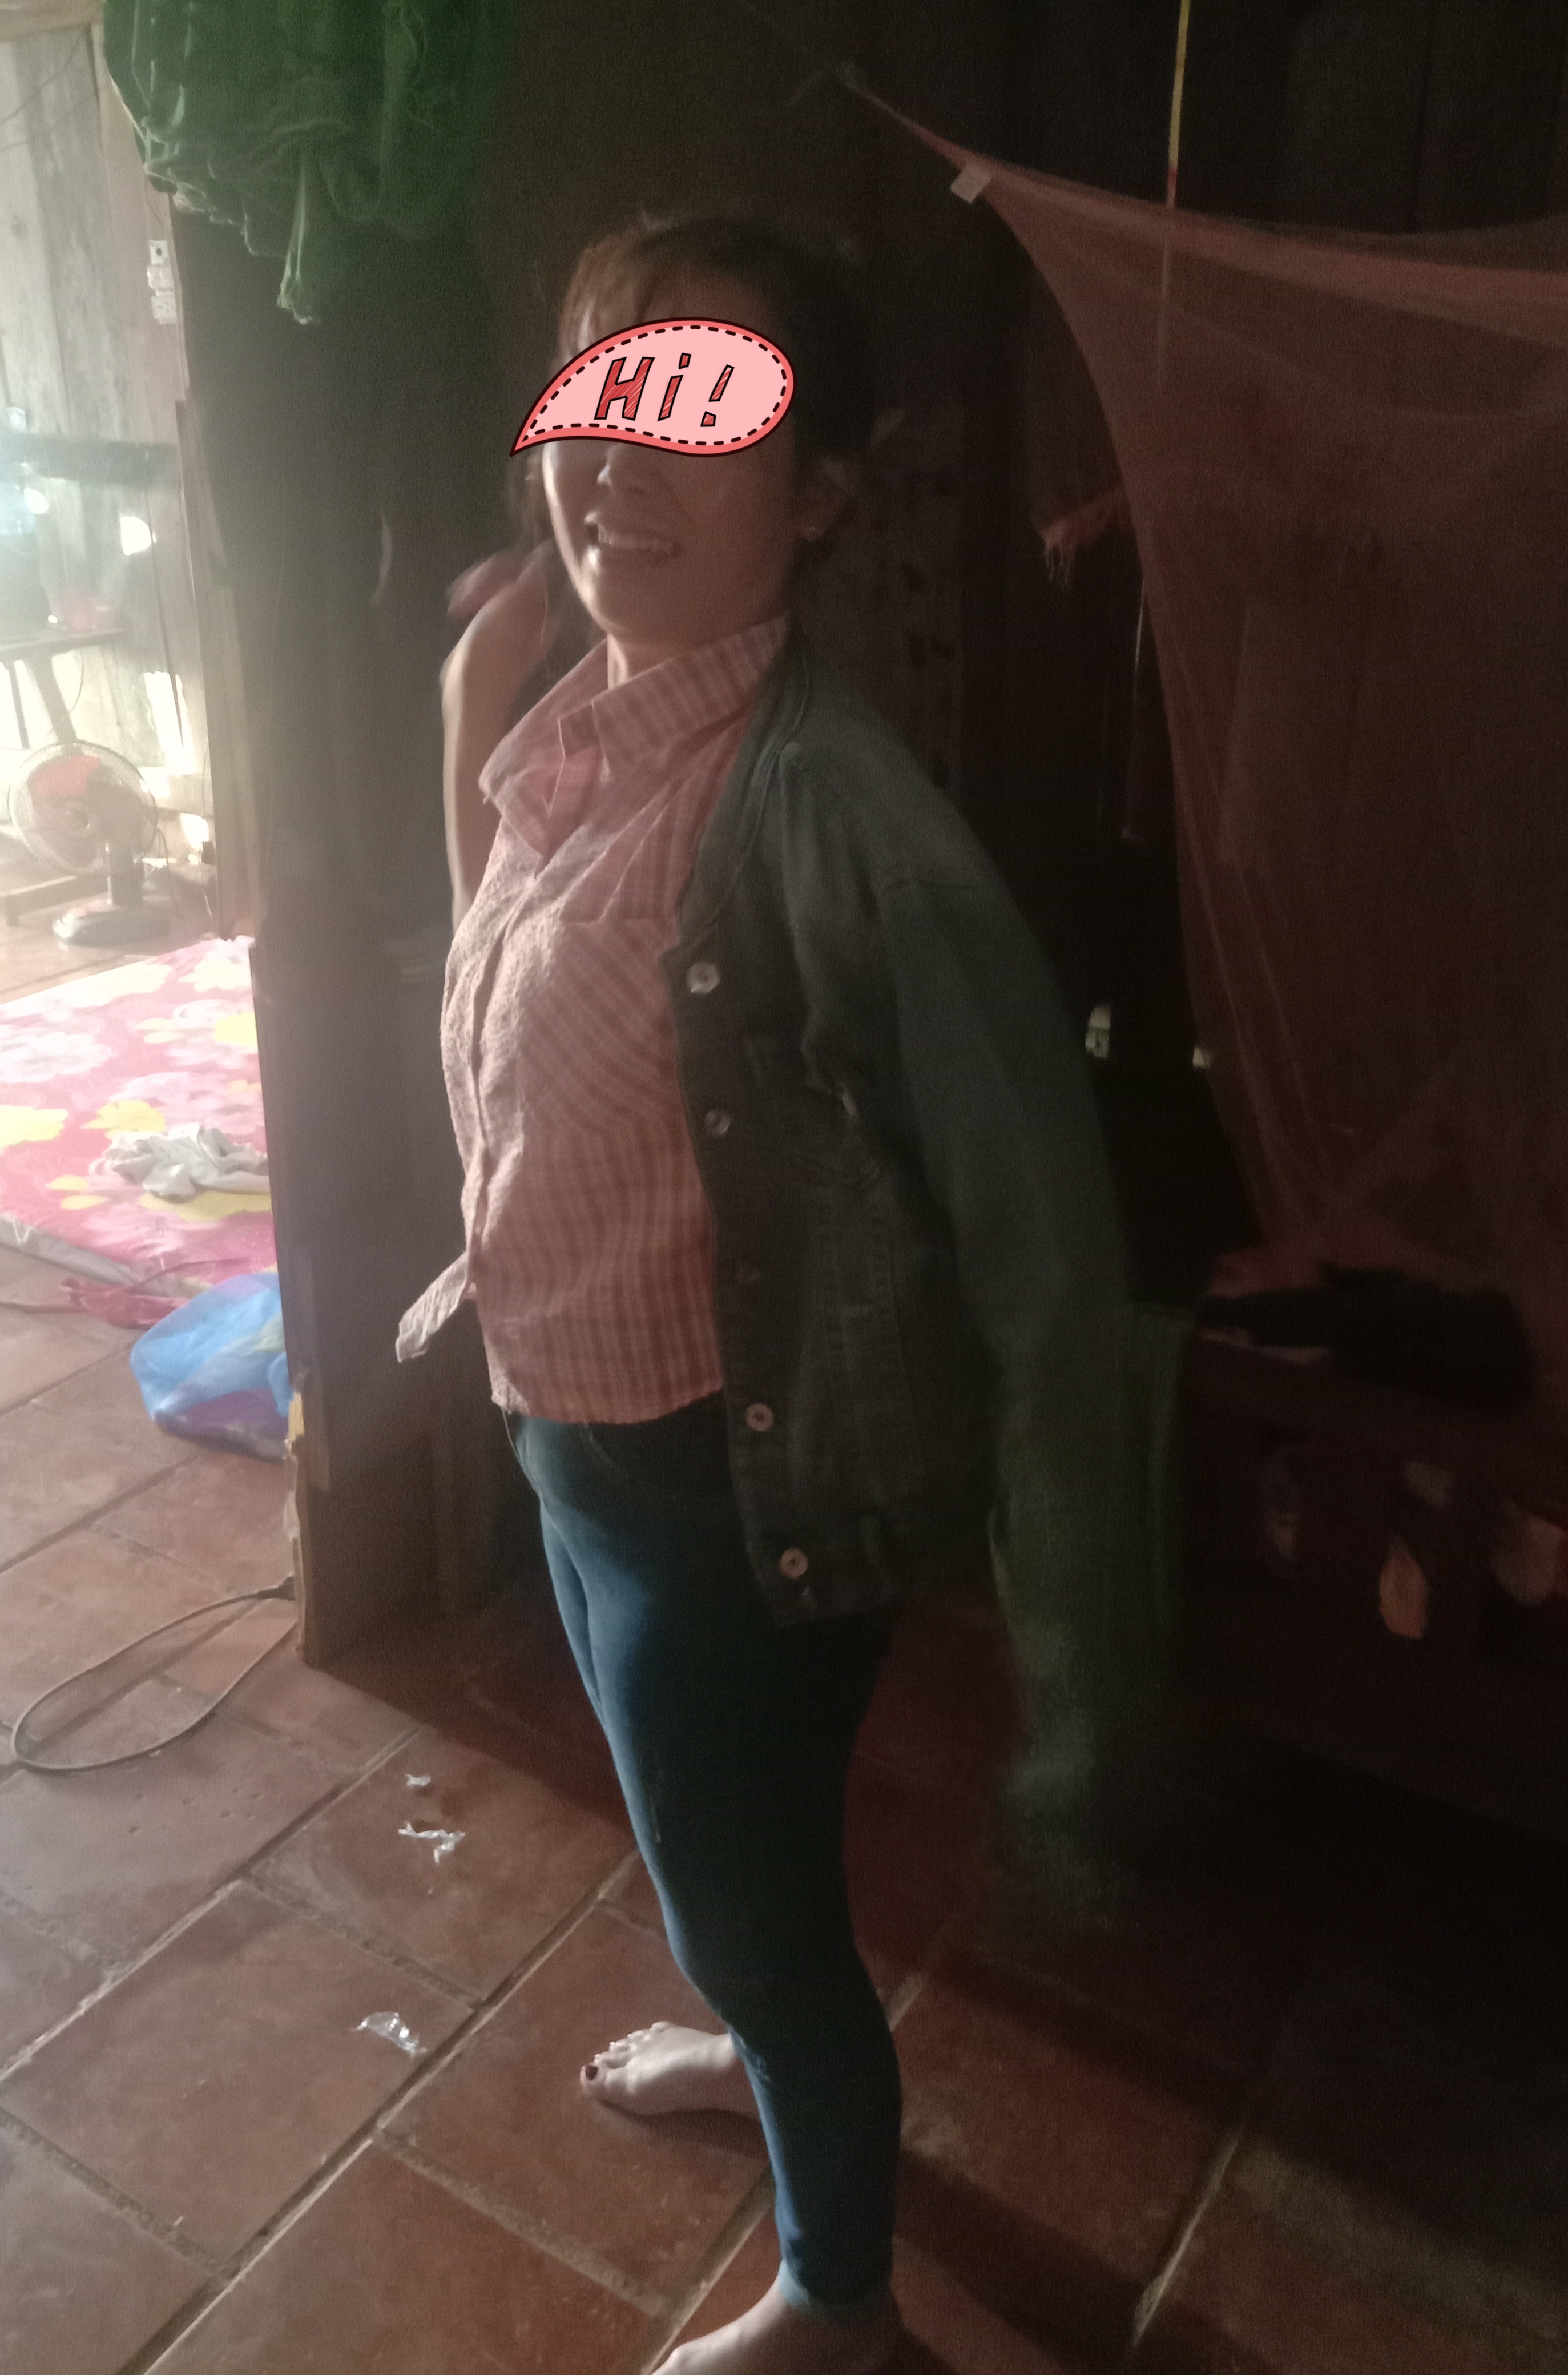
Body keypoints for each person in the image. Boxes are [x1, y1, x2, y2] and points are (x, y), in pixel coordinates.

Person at [400, 211, 1183, 2375]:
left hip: (725, 1505)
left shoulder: (842, 828)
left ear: (821, 490)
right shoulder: (582, 720)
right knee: (704, 1867)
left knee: (755, 1906)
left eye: (705, 409)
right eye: (600, 394)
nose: (622, 458)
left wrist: (1083, 1684)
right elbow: (502, 1022)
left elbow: (1049, 1264)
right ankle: (748, 2033)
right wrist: (467, 707)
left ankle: (842, 2299)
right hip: (569, 1431)